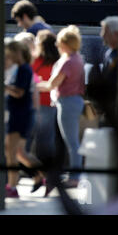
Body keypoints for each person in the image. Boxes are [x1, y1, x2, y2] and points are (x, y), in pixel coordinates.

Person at [37, 25, 85, 189]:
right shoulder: (76, 58)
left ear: (66, 44)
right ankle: (74, 176)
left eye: (59, 42)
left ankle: (75, 177)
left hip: (67, 102)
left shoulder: (68, 61)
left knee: (72, 143)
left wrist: (32, 84)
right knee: (70, 142)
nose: (57, 45)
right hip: (71, 101)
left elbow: (52, 84)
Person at [4, 40, 37, 198]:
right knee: (18, 152)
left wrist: (3, 86)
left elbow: (19, 93)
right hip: (20, 113)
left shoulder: (23, 69)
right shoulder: (22, 69)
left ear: (17, 52)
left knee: (11, 152)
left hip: (19, 114)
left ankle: (12, 186)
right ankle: (42, 176)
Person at [30, 30, 60, 193]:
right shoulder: (58, 60)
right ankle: (48, 177)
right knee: (46, 143)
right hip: (51, 104)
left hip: (39, 105)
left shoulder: (36, 60)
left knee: (33, 144)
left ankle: (41, 177)